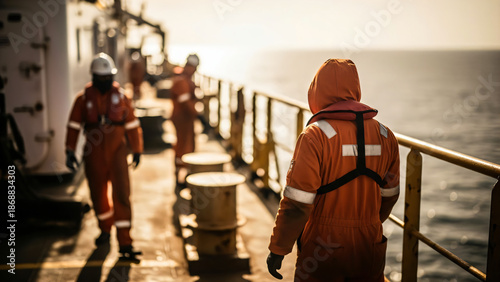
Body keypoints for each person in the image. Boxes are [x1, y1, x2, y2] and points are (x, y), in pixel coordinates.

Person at [267, 59, 400, 281]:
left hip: (324, 246)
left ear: (317, 91)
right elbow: (390, 195)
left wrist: (279, 247)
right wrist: (368, 222)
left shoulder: (315, 136)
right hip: (370, 242)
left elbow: (297, 204)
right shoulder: (386, 135)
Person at [65, 53, 144, 259]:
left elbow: (133, 125)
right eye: (101, 77)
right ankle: (105, 230)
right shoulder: (82, 100)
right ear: (93, 77)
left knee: (122, 194)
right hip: (94, 154)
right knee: (98, 194)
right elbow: (73, 126)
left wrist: (136, 150)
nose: (105, 81)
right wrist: (69, 150)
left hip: (118, 152)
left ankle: (125, 242)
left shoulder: (123, 97)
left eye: (108, 77)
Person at [170, 54, 211, 187]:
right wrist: (199, 116)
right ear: (190, 66)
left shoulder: (184, 79)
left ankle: (186, 174)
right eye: (194, 67)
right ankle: (180, 176)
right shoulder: (182, 81)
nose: (194, 70)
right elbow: (185, 102)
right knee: (183, 146)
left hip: (185, 118)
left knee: (187, 145)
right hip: (182, 118)